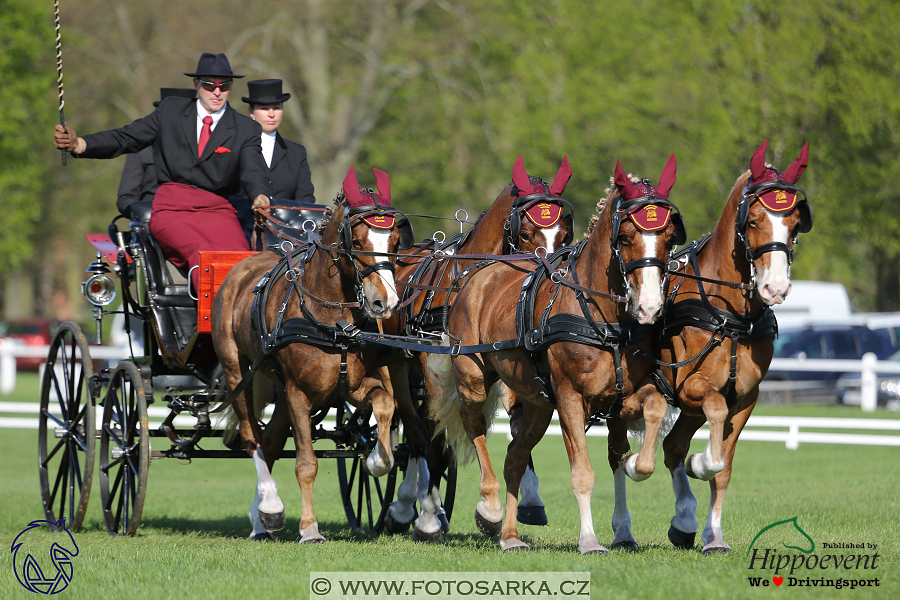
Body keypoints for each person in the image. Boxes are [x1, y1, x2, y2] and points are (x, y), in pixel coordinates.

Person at [54, 52, 272, 290]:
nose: (217, 92)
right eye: (210, 85)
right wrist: (80, 144)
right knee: (206, 258)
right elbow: (127, 137)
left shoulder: (245, 128)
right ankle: (210, 327)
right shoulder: (171, 112)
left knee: (244, 266)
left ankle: (243, 326)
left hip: (218, 210)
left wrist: (260, 195)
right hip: (172, 207)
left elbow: (253, 169)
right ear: (196, 84)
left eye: (224, 85)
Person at [115, 88, 197, 218]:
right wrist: (144, 214)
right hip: (152, 221)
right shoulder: (141, 149)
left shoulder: (205, 149)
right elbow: (126, 197)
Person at [241, 79, 315, 202]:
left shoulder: (297, 153)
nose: (271, 114)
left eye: (276, 108)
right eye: (264, 108)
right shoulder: (237, 146)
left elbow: (305, 200)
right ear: (251, 111)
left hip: (285, 220)